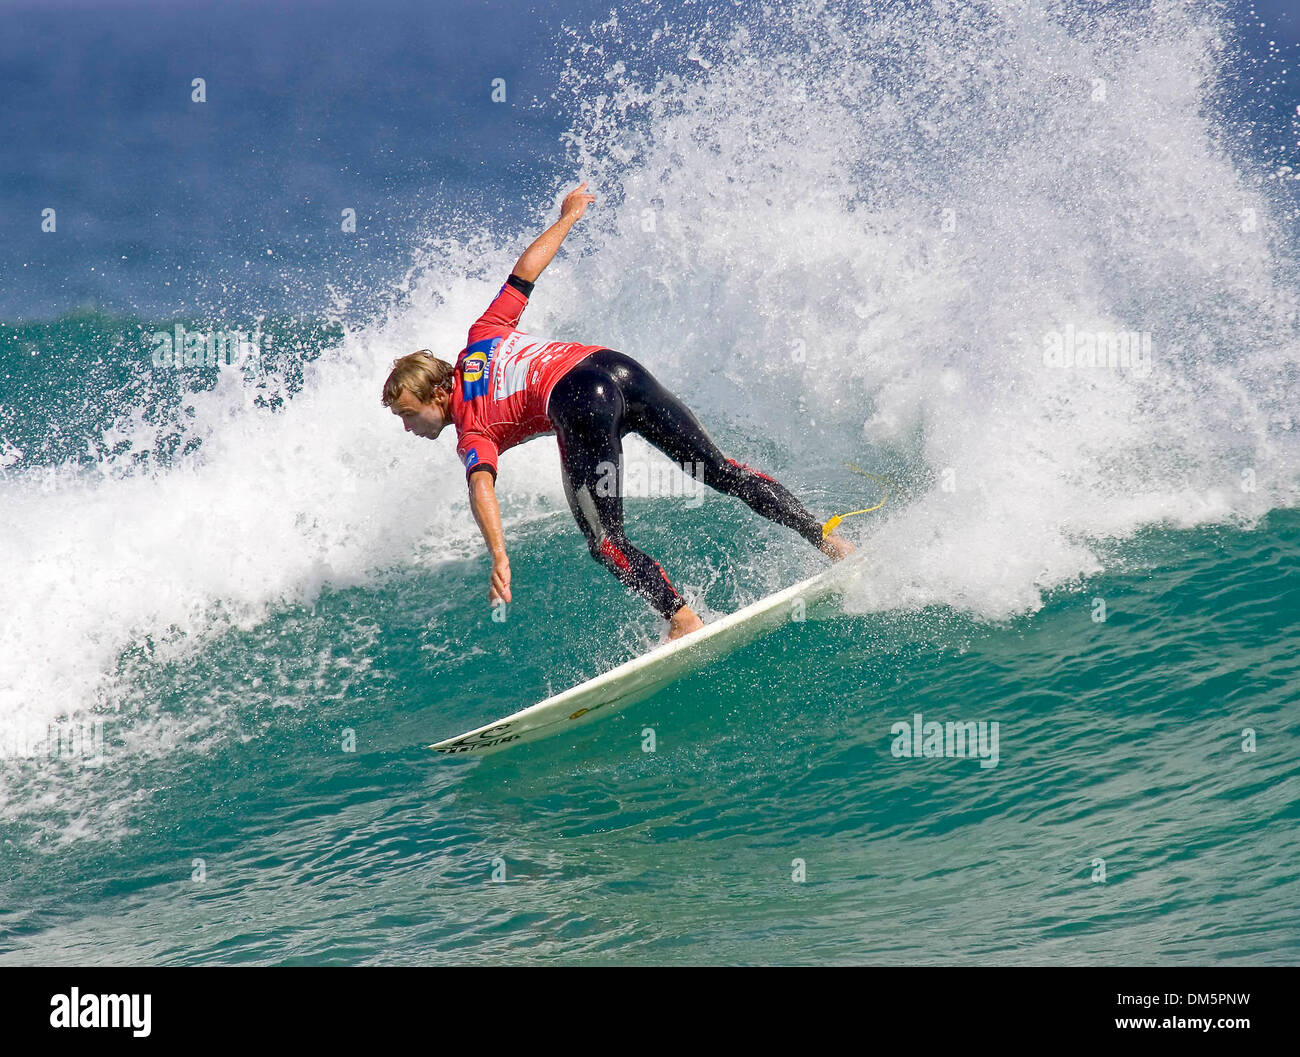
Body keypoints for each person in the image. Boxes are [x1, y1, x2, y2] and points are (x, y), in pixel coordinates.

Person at [382, 182, 856, 640]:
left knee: (605, 541)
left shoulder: (472, 425)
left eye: (408, 414)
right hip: (617, 369)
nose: (408, 427)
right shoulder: (482, 333)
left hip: (579, 402)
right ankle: (828, 540)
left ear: (438, 394)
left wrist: (498, 555)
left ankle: (683, 618)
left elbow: (481, 484)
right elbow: (525, 272)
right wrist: (568, 217)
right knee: (720, 470)